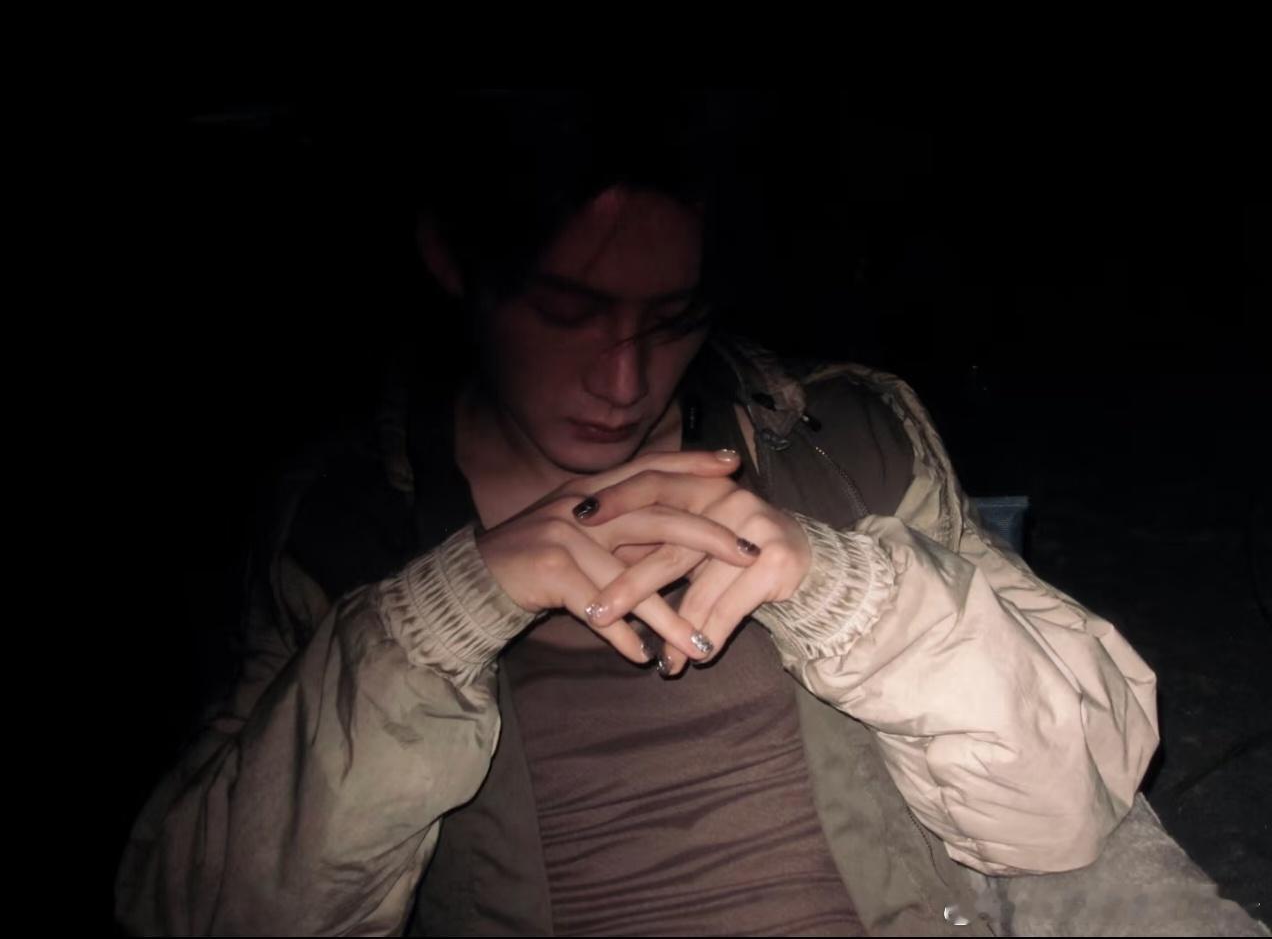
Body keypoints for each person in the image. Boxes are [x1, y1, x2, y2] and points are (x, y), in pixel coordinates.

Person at [117, 92, 1165, 936]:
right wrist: (436, 623)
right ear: (454, 262)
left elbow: (1070, 803)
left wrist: (853, 589)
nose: (622, 379)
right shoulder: (342, 529)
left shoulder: (844, 437)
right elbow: (210, 910)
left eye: (671, 318)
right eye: (566, 311)